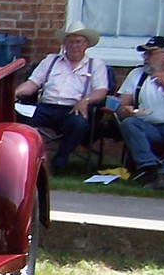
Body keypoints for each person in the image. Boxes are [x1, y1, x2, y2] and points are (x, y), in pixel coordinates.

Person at [13, 21, 110, 174]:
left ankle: (59, 163)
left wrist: (85, 101)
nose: (74, 45)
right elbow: (33, 83)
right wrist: (15, 93)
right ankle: (27, 160)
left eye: (78, 42)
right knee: (18, 117)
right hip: (46, 106)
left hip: (73, 109)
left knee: (78, 124)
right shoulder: (51, 60)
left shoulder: (95, 65)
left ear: (86, 44)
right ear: (65, 43)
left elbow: (101, 90)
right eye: (70, 41)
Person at [115, 36, 164, 192]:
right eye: (144, 54)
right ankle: (150, 170)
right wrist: (125, 110)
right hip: (147, 125)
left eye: (151, 54)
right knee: (128, 124)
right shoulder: (137, 75)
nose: (146, 58)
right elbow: (121, 105)